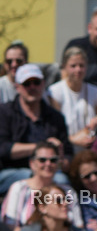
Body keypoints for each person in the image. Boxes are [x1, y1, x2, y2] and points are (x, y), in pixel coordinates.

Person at [0, 64, 73, 195]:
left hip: (49, 171)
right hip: (12, 172)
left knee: (62, 181)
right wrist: (42, 148)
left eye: (36, 82)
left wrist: (60, 156)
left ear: (43, 84)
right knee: (32, 179)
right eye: (27, 83)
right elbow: (3, 149)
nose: (32, 87)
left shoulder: (56, 117)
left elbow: (68, 156)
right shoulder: (4, 112)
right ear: (17, 87)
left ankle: (51, 214)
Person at [1, 142, 83, 231]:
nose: (48, 164)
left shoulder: (68, 191)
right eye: (42, 160)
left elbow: (78, 225)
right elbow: (11, 225)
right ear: (32, 163)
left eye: (53, 160)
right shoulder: (19, 188)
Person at [45, 47, 97, 153]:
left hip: (90, 151)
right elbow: (53, 129)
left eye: (81, 66)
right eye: (73, 66)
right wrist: (73, 140)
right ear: (64, 67)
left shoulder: (96, 92)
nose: (78, 70)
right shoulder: (54, 92)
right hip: (65, 151)